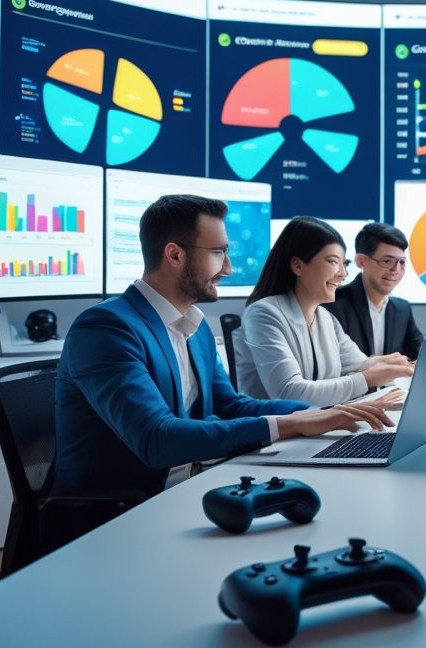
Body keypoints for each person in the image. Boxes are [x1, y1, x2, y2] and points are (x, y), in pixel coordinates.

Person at [54, 195, 391, 498]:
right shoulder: (106, 329)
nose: (228, 268)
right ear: (174, 254)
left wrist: (323, 414)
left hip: (187, 488)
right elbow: (156, 439)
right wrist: (293, 424)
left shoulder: (195, 326)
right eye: (218, 253)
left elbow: (229, 405)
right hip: (117, 513)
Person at [234, 216, 413, 406]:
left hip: (320, 422)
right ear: (297, 266)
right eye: (333, 262)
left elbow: (361, 364)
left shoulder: (325, 318)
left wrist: (402, 365)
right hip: (276, 425)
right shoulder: (263, 314)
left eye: (344, 264)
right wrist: (367, 379)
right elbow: (289, 393)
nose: (343, 274)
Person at [325, 222, 424, 361]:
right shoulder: (333, 305)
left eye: (401, 262)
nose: (395, 270)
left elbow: (420, 355)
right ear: (361, 261)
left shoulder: (402, 309)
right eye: (387, 261)